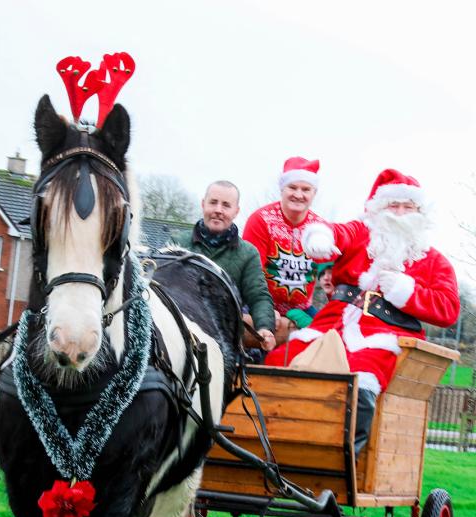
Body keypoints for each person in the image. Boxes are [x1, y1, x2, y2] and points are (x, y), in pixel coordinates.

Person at [265, 168, 460, 454]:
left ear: (420, 212)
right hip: (332, 324)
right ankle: (266, 444)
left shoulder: (433, 260)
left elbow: (448, 308)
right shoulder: (361, 233)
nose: (401, 213)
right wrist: (319, 236)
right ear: (379, 208)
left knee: (363, 377)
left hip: (384, 333)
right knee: (278, 361)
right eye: (394, 205)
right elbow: (338, 233)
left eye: (409, 207)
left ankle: (341, 460)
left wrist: (407, 292)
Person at [172, 180, 276, 352]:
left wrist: (265, 327)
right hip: (179, 337)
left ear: (236, 211)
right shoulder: (177, 244)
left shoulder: (248, 254)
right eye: (213, 202)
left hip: (224, 342)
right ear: (203, 204)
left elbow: (259, 296)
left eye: (226, 205)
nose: (218, 210)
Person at [242, 157, 330, 344]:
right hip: (260, 304)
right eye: (292, 187)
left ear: (314, 193)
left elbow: (331, 275)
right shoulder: (261, 220)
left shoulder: (321, 229)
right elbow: (250, 274)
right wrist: (263, 309)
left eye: (305, 189)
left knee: (328, 339)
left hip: (303, 309)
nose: (298, 195)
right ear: (282, 189)